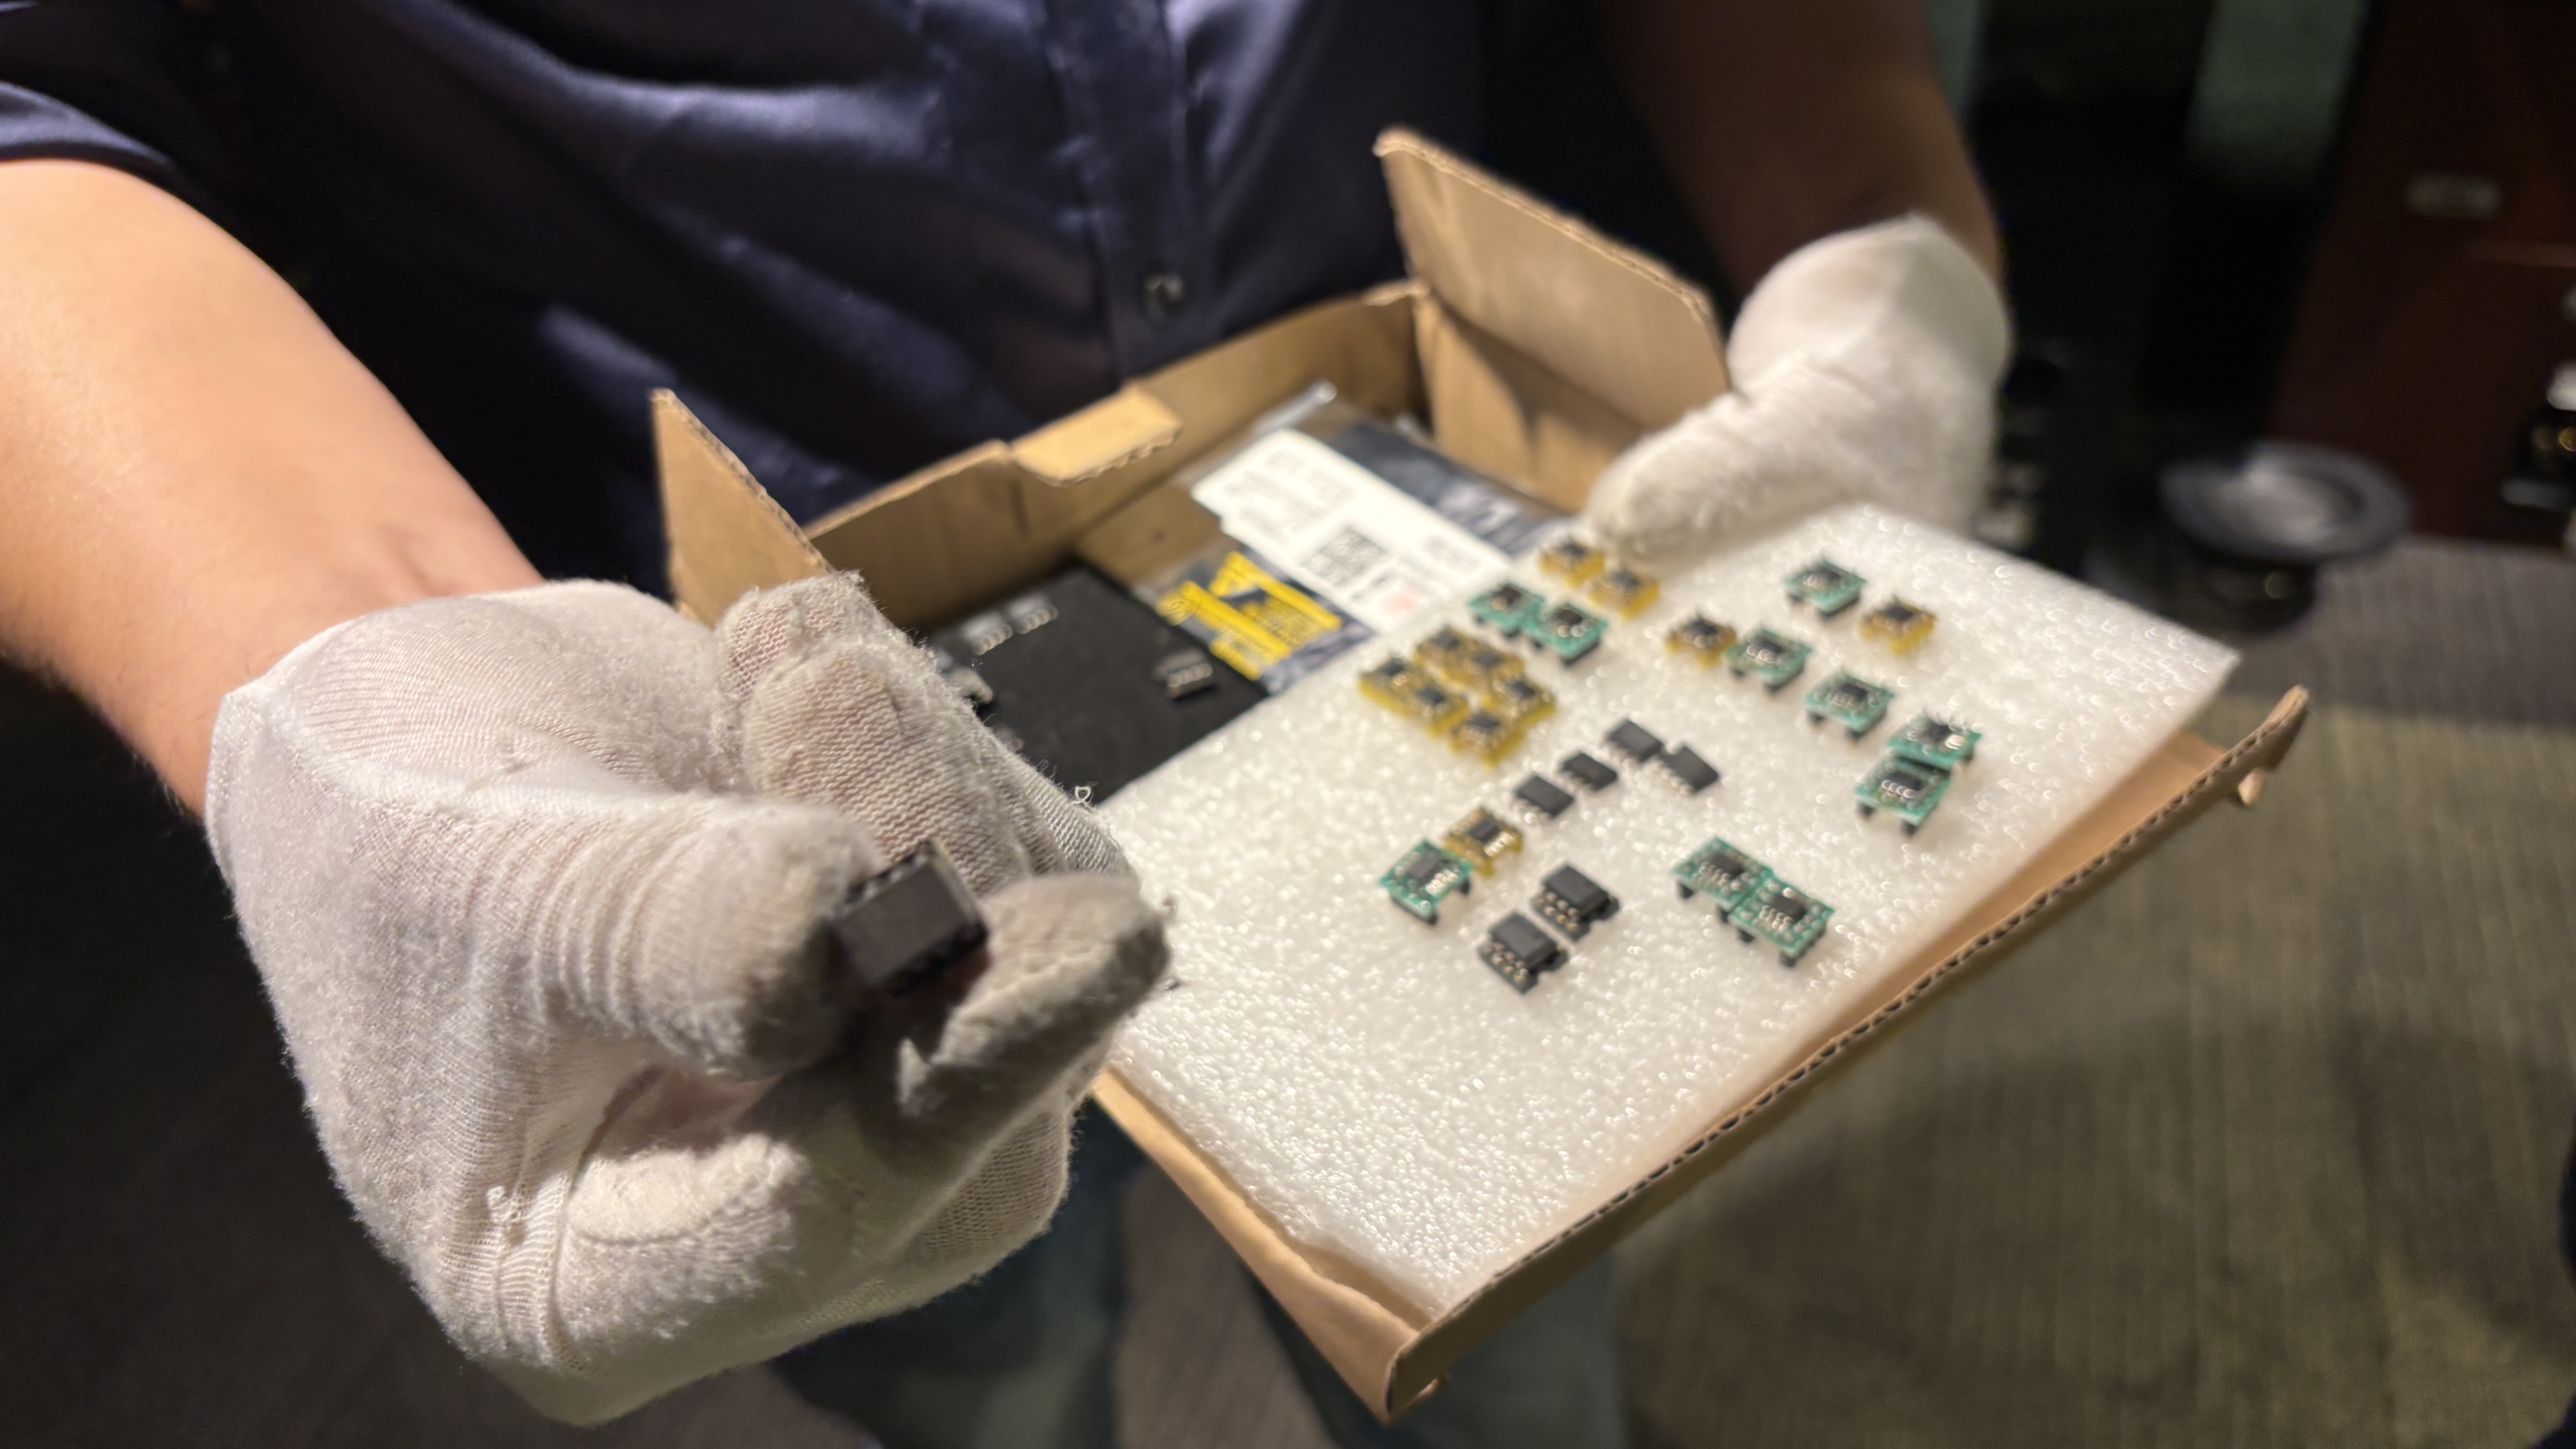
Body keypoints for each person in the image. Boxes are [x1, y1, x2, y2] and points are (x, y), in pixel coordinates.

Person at [0, 0, 2007, 1444]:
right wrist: (343, 690)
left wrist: (1872, 224)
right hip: (728, 709)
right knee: (970, 1346)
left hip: (1406, 577)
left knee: (1497, 1348)